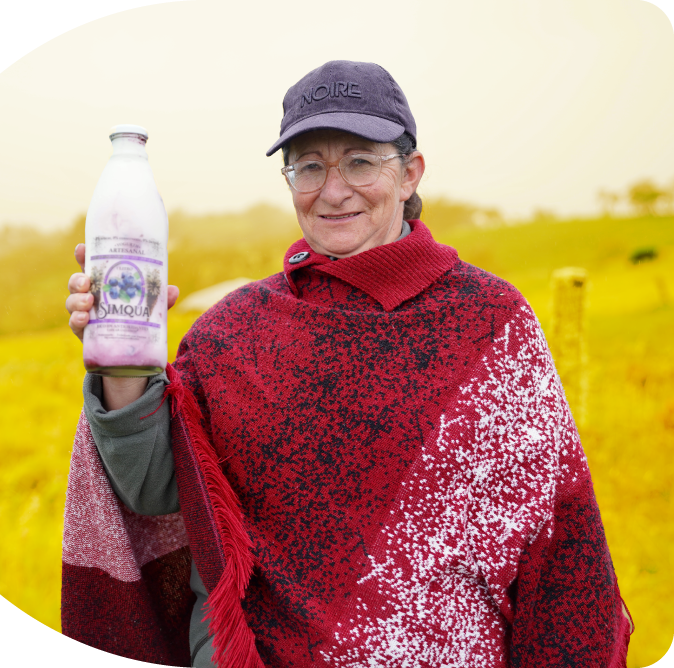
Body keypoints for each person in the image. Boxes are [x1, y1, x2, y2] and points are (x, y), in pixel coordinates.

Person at [62, 60, 632, 667]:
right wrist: (124, 363)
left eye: (360, 161)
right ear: (289, 181)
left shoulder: (491, 325)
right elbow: (154, 492)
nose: (333, 190)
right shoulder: (233, 335)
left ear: (411, 173)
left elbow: (557, 543)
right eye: (309, 166)